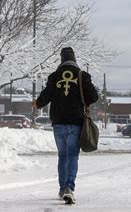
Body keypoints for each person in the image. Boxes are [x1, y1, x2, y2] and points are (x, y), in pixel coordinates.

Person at [32, 47, 98, 204]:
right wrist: (83, 102)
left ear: (61, 59)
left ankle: (62, 189)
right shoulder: (83, 76)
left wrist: (38, 103)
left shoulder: (55, 76)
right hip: (76, 122)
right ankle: (69, 187)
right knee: (72, 155)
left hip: (58, 122)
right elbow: (93, 96)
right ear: (74, 59)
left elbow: (46, 95)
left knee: (62, 156)